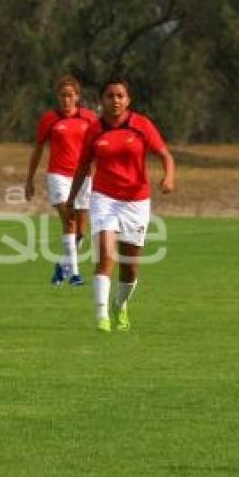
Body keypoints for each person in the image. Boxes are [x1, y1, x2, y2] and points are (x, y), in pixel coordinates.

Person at [65, 76, 175, 332]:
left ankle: (119, 304)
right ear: (102, 100)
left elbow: (165, 155)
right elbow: (83, 166)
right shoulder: (94, 129)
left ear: (128, 100)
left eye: (119, 96)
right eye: (109, 96)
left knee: (130, 268)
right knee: (105, 256)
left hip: (136, 202)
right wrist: (71, 200)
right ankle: (101, 316)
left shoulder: (141, 125)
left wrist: (169, 177)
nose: (115, 100)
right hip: (104, 198)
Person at [25, 75, 97, 287]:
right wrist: (29, 180)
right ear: (57, 97)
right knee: (69, 220)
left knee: (82, 230)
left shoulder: (89, 118)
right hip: (58, 175)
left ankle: (62, 266)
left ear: (77, 97)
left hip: (83, 176)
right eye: (62, 96)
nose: (66, 100)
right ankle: (74, 274)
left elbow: (100, 146)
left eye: (70, 96)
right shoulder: (49, 119)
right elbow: (37, 150)